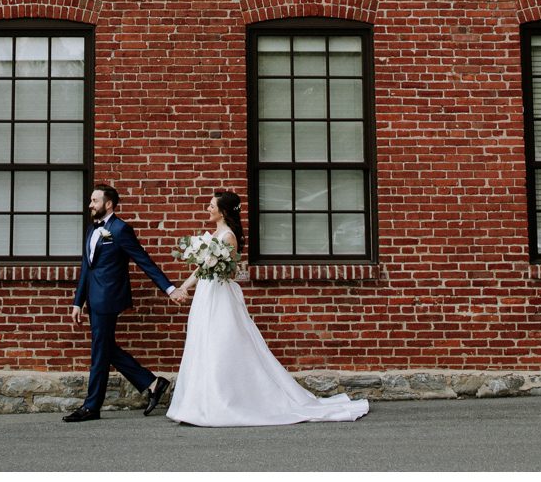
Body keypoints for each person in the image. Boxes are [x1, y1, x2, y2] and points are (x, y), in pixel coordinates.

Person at [166, 190, 370, 427]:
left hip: (220, 295)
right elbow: (201, 268)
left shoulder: (228, 236)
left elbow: (232, 272)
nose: (208, 209)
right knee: (202, 341)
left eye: (211, 205)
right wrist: (183, 287)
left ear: (223, 210)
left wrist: (215, 265)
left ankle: (224, 400)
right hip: (206, 293)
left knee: (220, 342)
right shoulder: (212, 234)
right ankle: (199, 401)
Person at [65, 183, 184, 423]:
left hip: (108, 298)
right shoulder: (92, 229)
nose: (90, 205)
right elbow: (86, 268)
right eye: (91, 200)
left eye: (95, 201)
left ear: (108, 204)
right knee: (105, 347)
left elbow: (144, 261)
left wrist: (169, 289)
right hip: (93, 299)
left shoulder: (120, 230)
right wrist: (78, 301)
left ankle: (91, 406)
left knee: (100, 350)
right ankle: (152, 383)